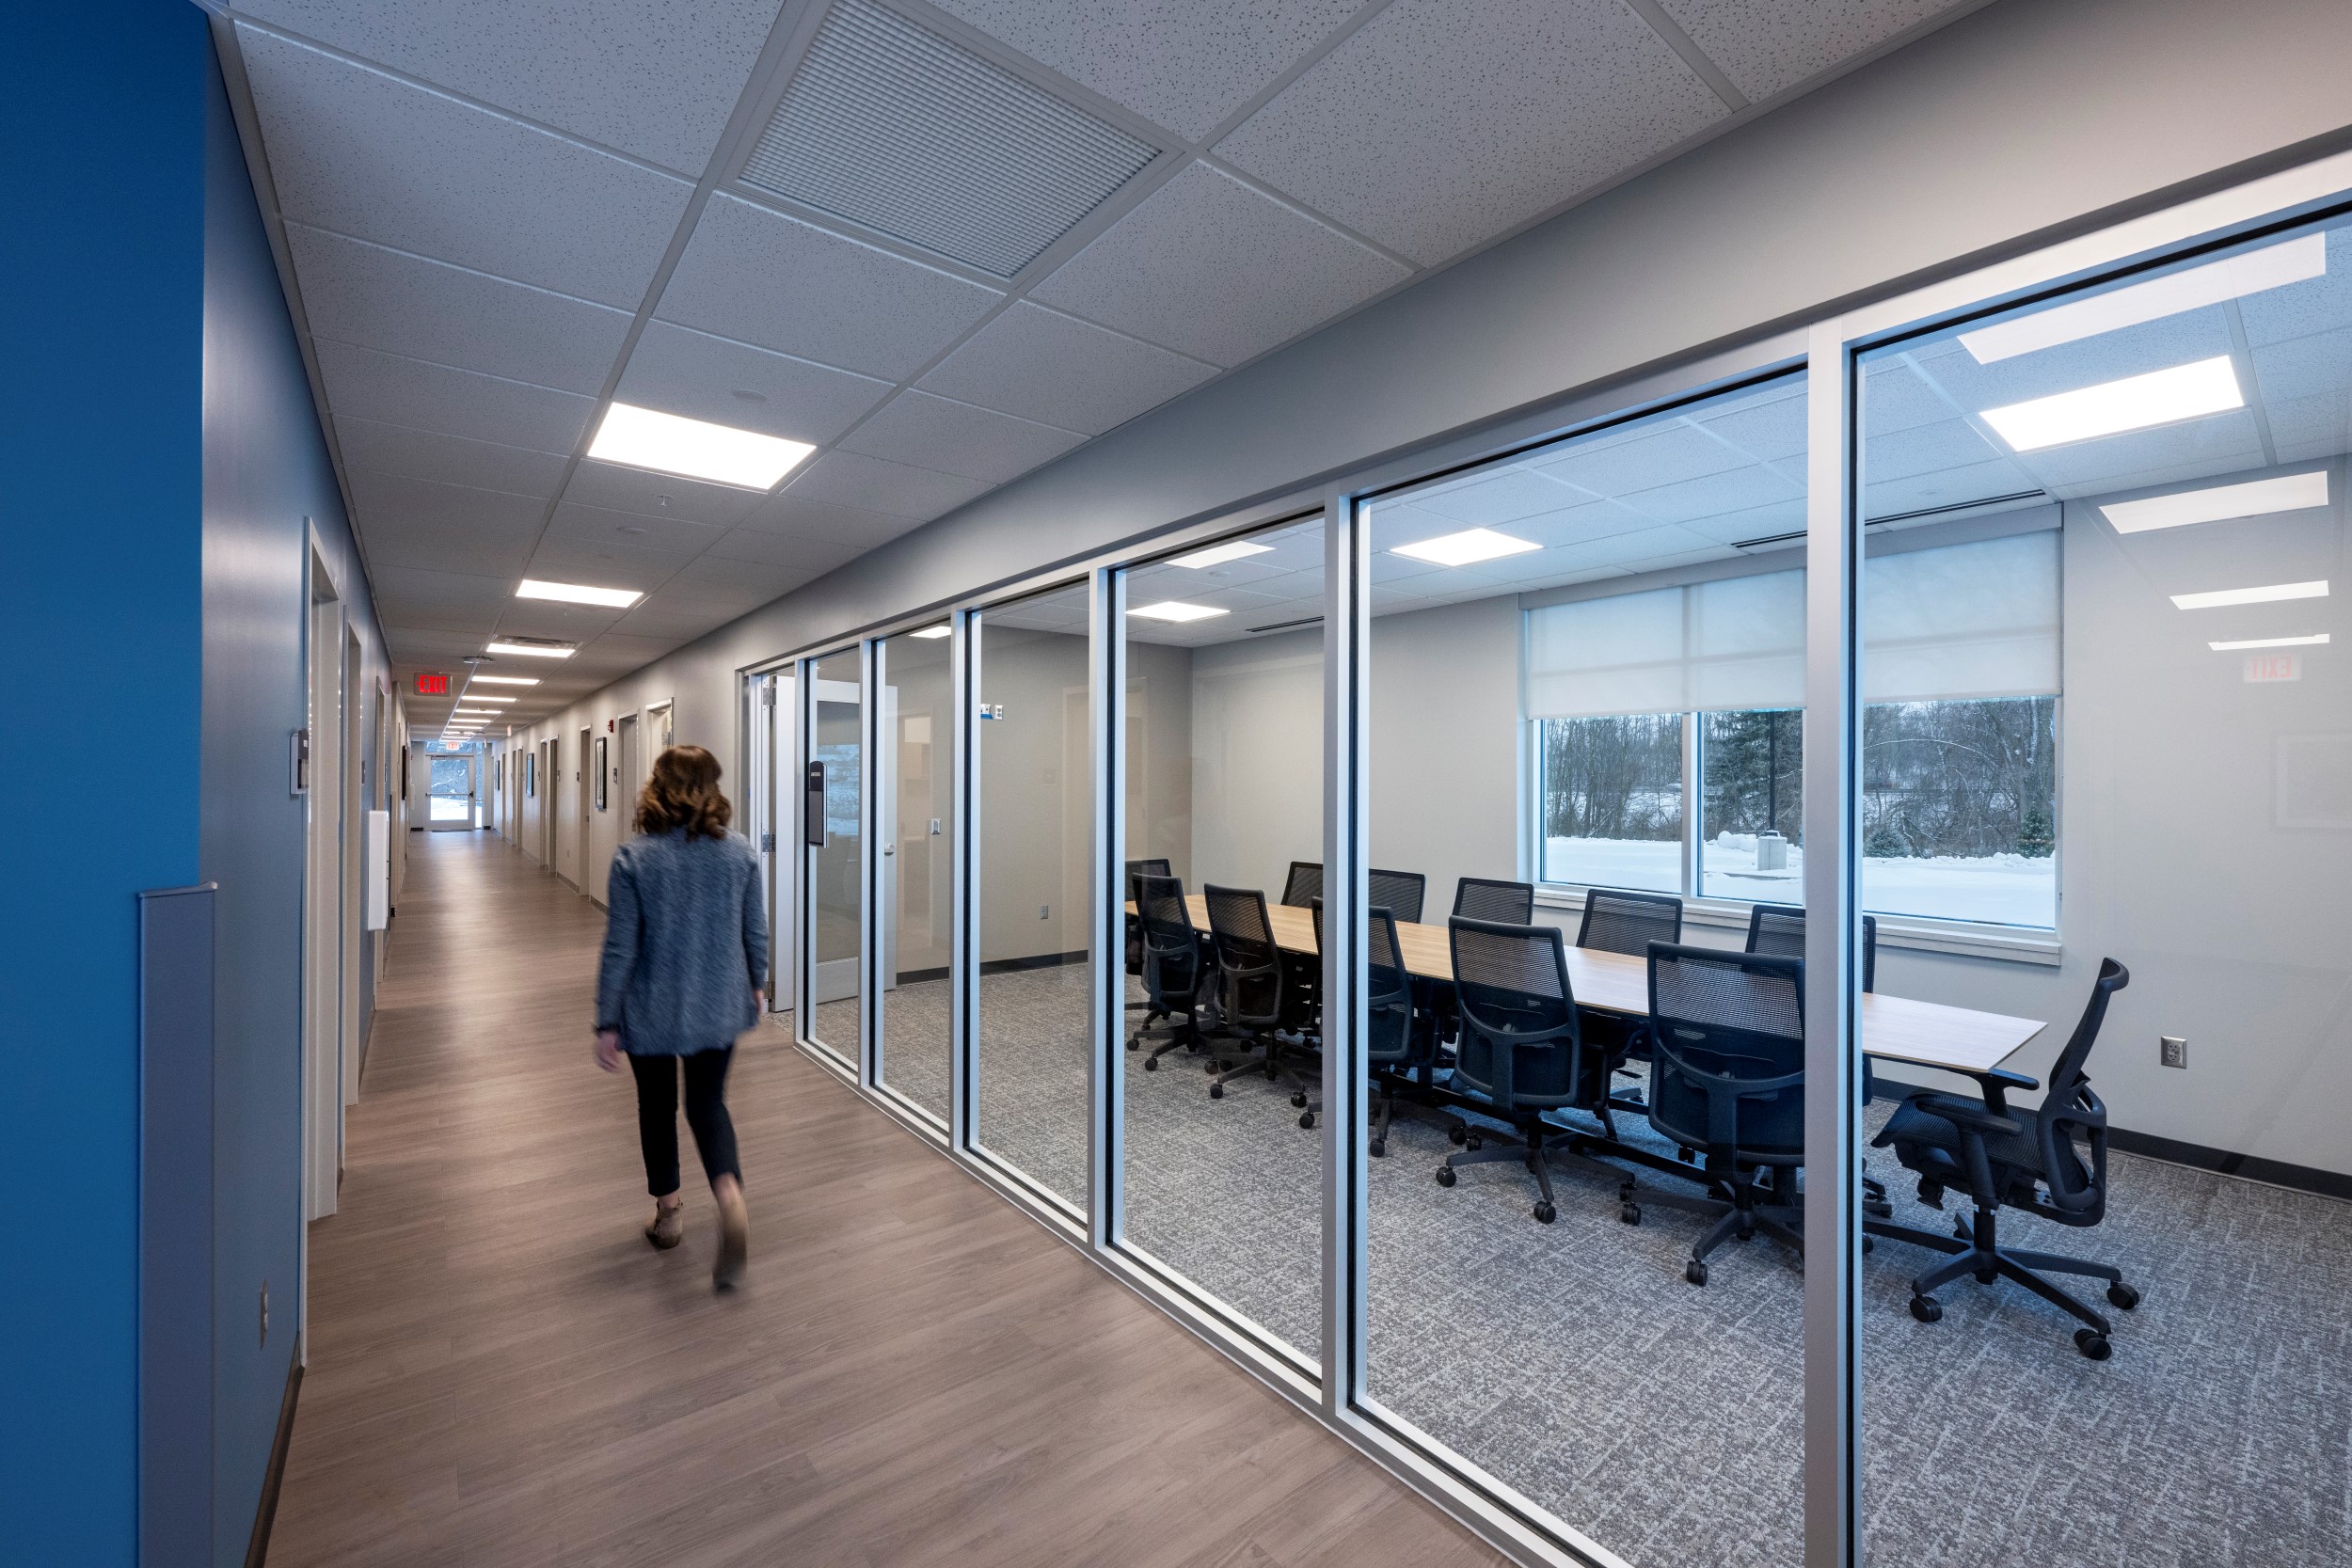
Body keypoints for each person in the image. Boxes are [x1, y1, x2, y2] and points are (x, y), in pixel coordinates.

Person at [594, 744, 767, 1290]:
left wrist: (606, 1019)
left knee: (657, 1107)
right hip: (719, 1003)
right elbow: (755, 930)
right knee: (708, 1105)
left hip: (651, 1010)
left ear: (657, 788)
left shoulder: (634, 858)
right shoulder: (740, 854)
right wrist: (758, 982)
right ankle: (730, 1196)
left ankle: (669, 1215)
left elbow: (620, 947)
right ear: (713, 789)